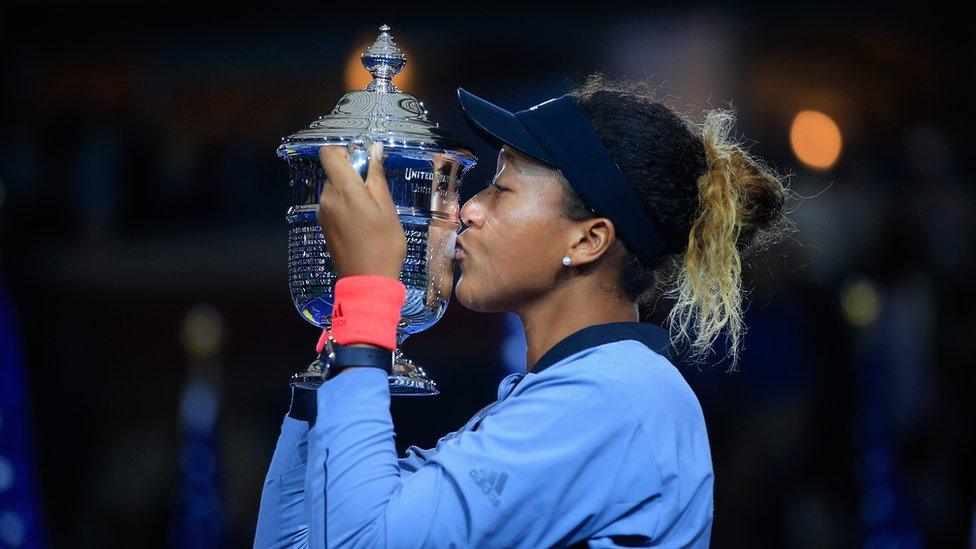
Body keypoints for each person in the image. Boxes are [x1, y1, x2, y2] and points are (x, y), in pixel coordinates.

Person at [253, 74, 791, 548]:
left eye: (501, 188)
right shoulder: (562, 394)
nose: (469, 208)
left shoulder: (615, 397)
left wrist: (367, 297)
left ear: (588, 240)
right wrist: (335, 354)